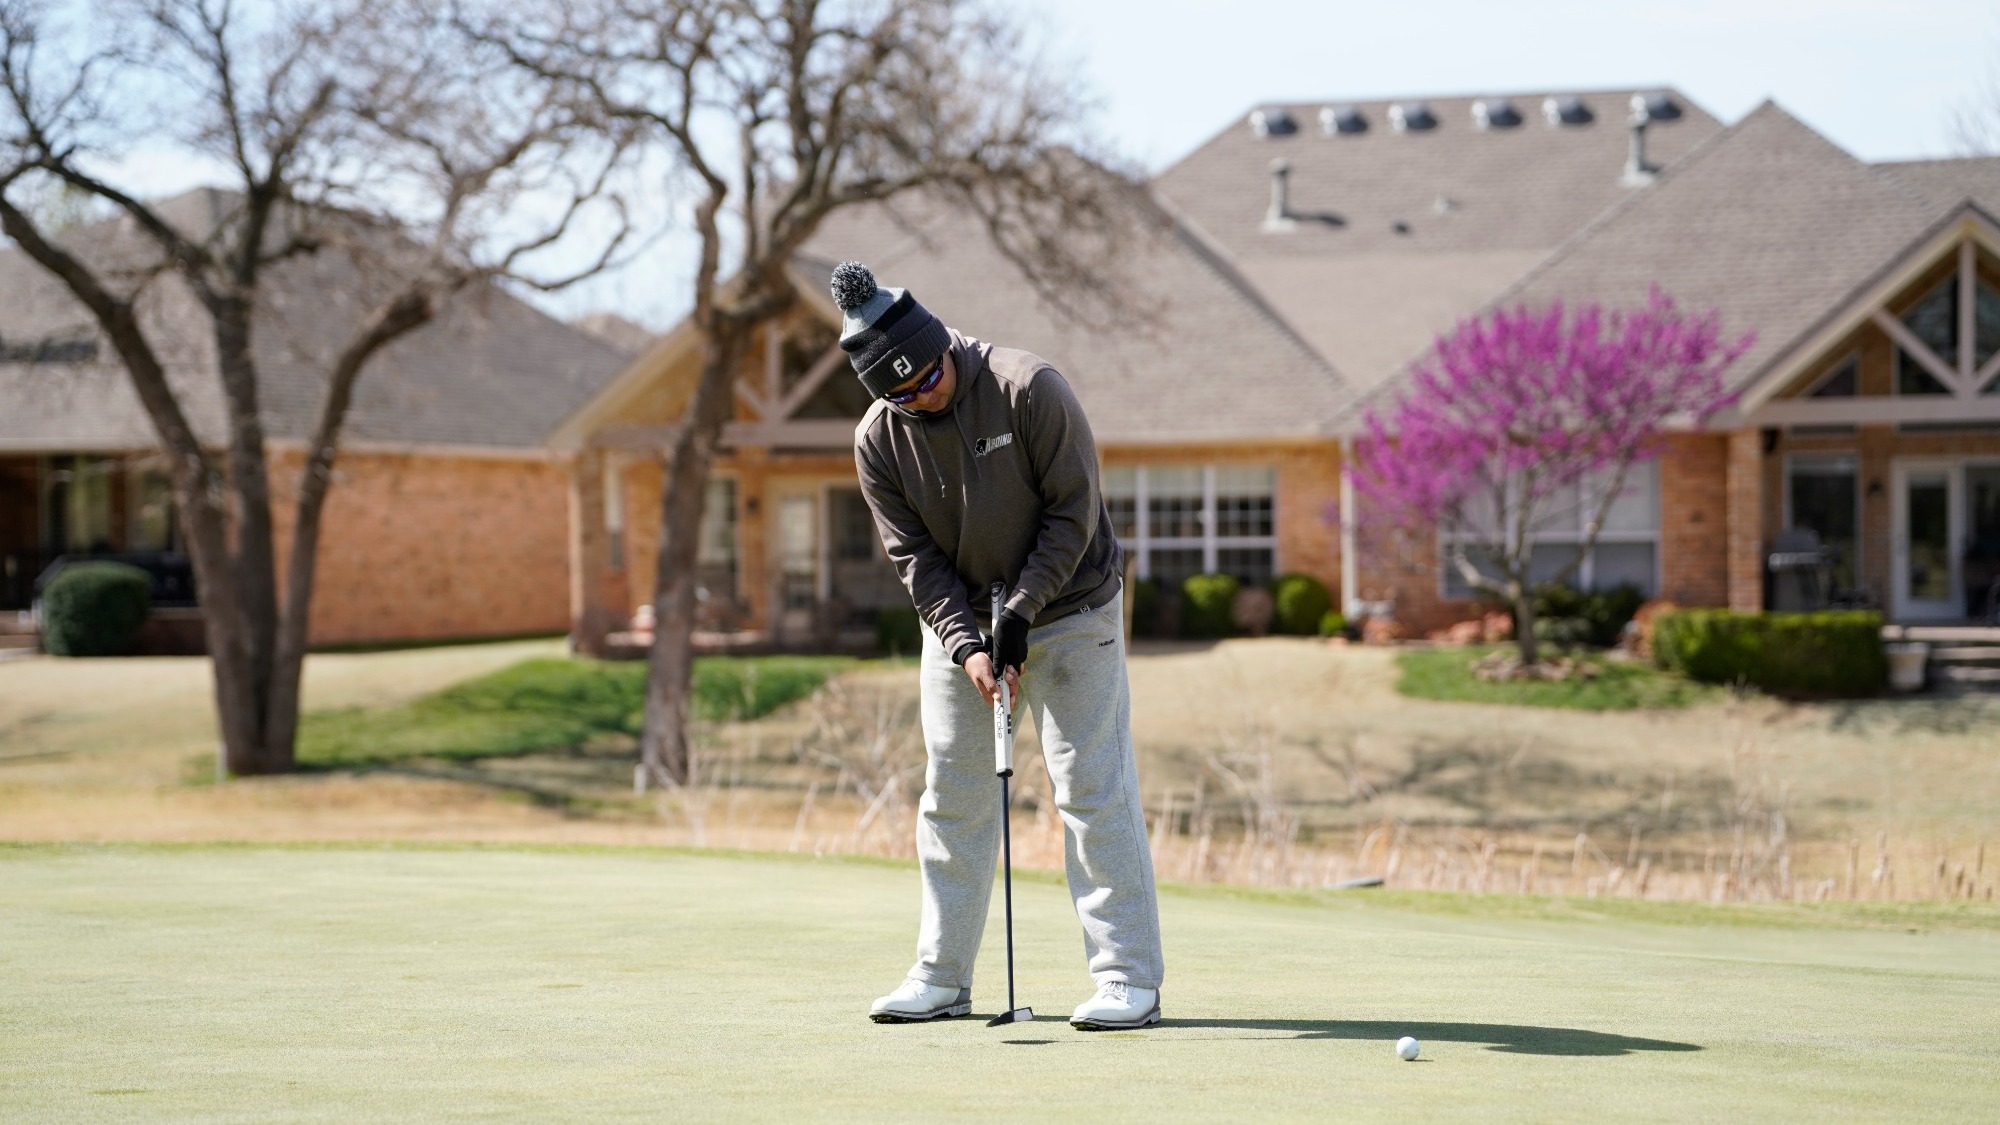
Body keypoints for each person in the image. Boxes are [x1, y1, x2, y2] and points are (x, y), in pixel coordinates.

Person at [833, 260, 1164, 1031]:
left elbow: (1073, 513)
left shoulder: (1029, 387)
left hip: (1075, 605)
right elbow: (915, 557)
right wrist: (966, 642)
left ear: (941, 343)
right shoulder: (879, 440)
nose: (920, 396)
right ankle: (942, 977)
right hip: (963, 625)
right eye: (899, 393)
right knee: (954, 794)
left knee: (1092, 787)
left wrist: (1020, 612)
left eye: (925, 379)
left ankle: (1127, 980)